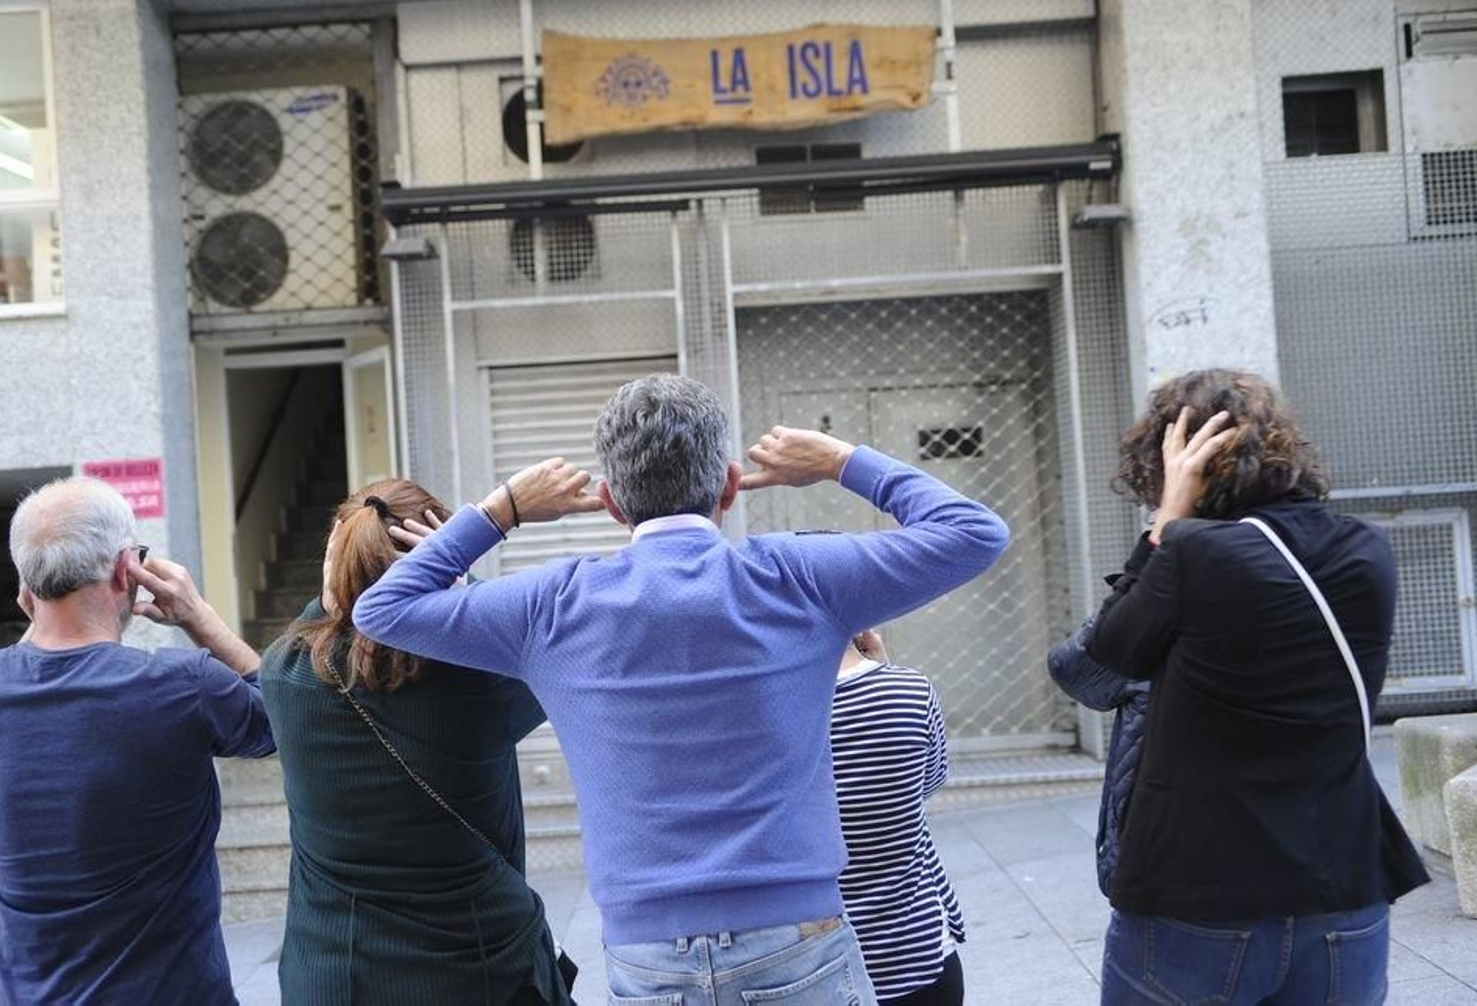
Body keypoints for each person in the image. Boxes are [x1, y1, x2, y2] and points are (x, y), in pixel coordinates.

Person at [353, 373, 1009, 1003]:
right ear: (729, 485)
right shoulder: (800, 576)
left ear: (611, 502)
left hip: (647, 952)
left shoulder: (550, 604)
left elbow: (381, 611)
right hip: (797, 936)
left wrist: (504, 510)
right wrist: (842, 461)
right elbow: (976, 533)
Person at [1084, 369, 1429, 1006]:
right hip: (1343, 878)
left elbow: (1105, 659)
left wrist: (1166, 519)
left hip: (1198, 888)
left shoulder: (1193, 552)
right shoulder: (1367, 547)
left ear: (1175, 457)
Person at [0, 476, 273, 1005]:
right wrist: (198, 618)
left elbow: (40, 651)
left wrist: (39, 596)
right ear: (126, 569)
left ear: (26, 589)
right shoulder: (183, 685)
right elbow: (285, 720)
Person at [258, 480, 573, 1005]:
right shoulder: (481, 680)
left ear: (336, 563)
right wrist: (463, 584)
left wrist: (336, 587)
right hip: (478, 973)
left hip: (336, 978)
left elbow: (323, 618)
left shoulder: (285, 674)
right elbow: (531, 640)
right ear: (439, 565)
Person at [830, 629, 967, 1005]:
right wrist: (884, 674)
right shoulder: (911, 690)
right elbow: (927, 782)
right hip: (921, 951)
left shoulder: (775, 707)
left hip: (826, 966)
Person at [1046, 617, 1149, 900]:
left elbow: (1069, 667)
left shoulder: (1158, 606)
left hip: (1158, 851)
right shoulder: (1277, 599)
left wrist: (1130, 591)